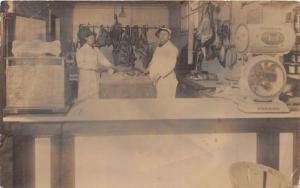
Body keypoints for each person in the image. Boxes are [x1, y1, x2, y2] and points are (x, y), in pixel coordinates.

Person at [76, 28, 113, 102]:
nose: (93, 40)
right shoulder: (81, 50)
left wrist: (110, 66)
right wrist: (93, 67)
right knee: (85, 98)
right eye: (91, 38)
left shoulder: (96, 49)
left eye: (93, 38)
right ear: (86, 38)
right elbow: (80, 64)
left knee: (95, 97)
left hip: (95, 76)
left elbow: (102, 59)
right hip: (86, 77)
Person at [146, 27, 178, 98]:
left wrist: (157, 76)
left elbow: (170, 66)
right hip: (156, 80)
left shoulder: (172, 49)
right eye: (160, 34)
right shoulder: (159, 47)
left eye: (165, 34)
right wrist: (147, 69)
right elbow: (153, 60)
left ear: (169, 37)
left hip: (166, 81)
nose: (162, 36)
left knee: (165, 104)